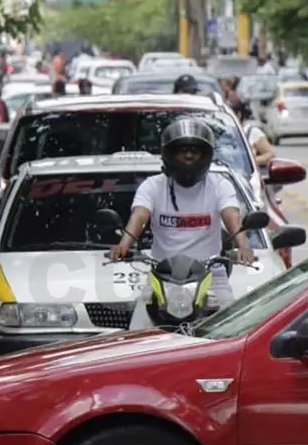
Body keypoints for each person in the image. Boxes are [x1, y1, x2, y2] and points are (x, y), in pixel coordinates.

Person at [107, 118, 254, 308]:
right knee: (139, 326)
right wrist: (124, 244)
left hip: (211, 274)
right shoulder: (153, 186)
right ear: (169, 154)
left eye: (195, 151)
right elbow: (140, 216)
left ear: (206, 155)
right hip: (163, 273)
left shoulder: (219, 185)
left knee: (231, 323)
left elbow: (232, 215)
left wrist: (243, 246)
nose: (189, 156)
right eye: (183, 151)